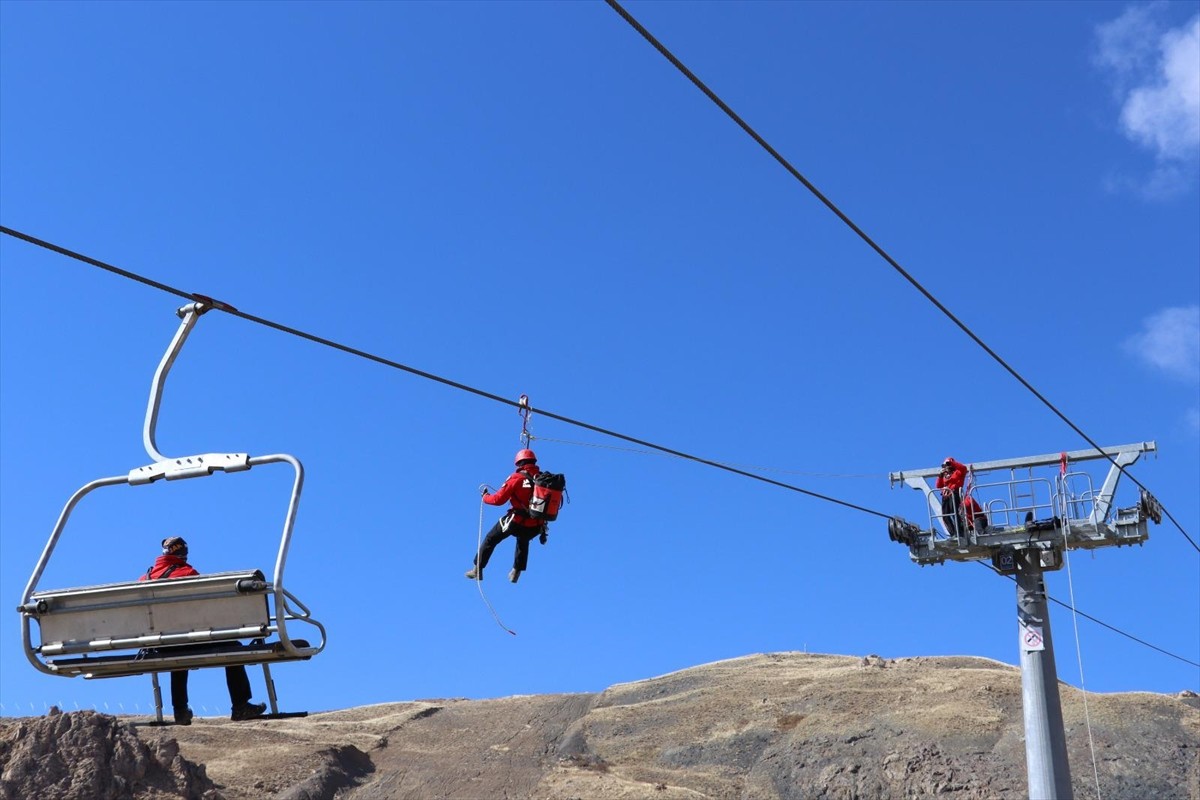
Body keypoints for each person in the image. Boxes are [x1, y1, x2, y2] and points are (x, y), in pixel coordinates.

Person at [139, 536, 268, 725]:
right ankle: (240, 705)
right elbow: (204, 610)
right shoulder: (187, 573)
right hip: (186, 638)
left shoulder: (144, 579)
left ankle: (180, 710)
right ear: (182, 554)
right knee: (233, 646)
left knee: (177, 651)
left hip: (159, 644)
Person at [465, 448, 548, 584]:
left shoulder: (516, 478)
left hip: (516, 520)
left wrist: (485, 497)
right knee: (523, 540)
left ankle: (477, 568)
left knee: (491, 538)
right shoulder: (543, 479)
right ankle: (516, 571)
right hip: (536, 525)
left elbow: (498, 500)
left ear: (519, 463)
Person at [936, 457, 969, 536]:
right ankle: (953, 533)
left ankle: (959, 532)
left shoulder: (958, 472)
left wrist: (951, 463)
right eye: (944, 465)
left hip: (954, 493)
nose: (945, 467)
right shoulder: (945, 476)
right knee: (945, 515)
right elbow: (938, 486)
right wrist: (940, 476)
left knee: (954, 513)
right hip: (945, 495)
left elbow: (963, 468)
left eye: (947, 465)